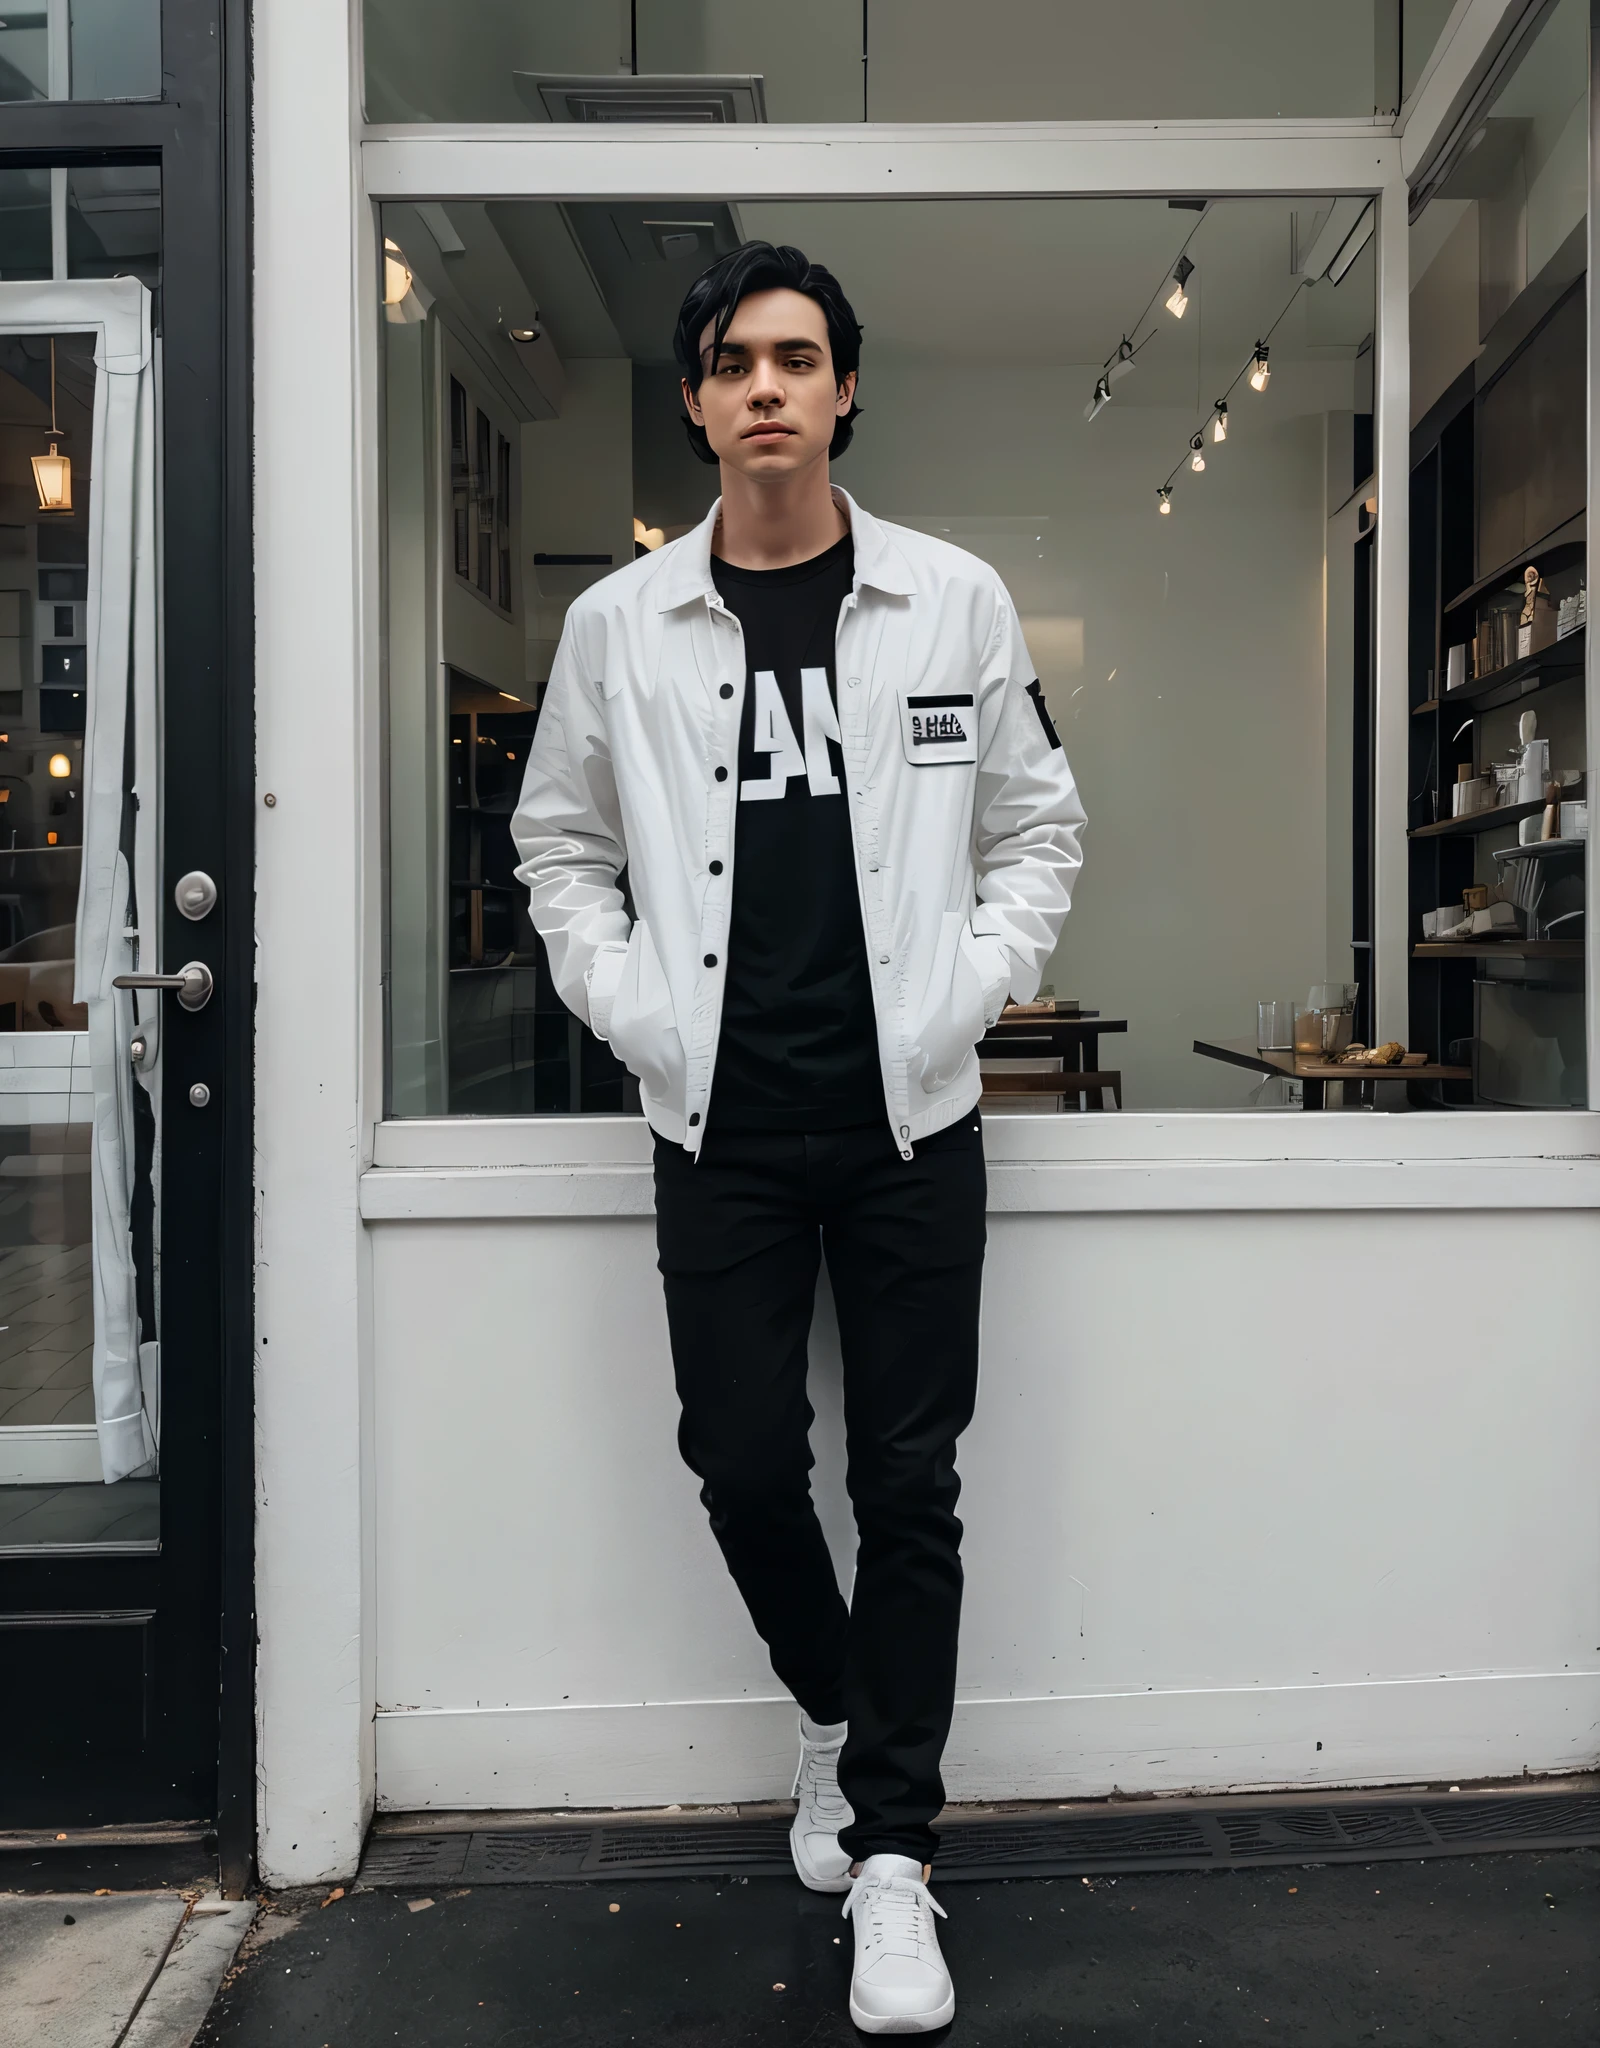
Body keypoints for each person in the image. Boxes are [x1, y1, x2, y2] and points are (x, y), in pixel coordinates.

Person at [510, 241, 1085, 2033]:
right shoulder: (621, 626)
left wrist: (966, 992)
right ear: (693, 400)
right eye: (731, 361)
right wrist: (637, 1011)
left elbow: (1036, 832)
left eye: (796, 358)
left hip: (911, 1117)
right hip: (721, 1121)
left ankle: (895, 1859)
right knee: (745, 1456)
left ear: (843, 390)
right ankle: (840, 1715)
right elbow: (558, 851)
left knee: (909, 1480)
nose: (764, 386)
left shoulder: (952, 602)